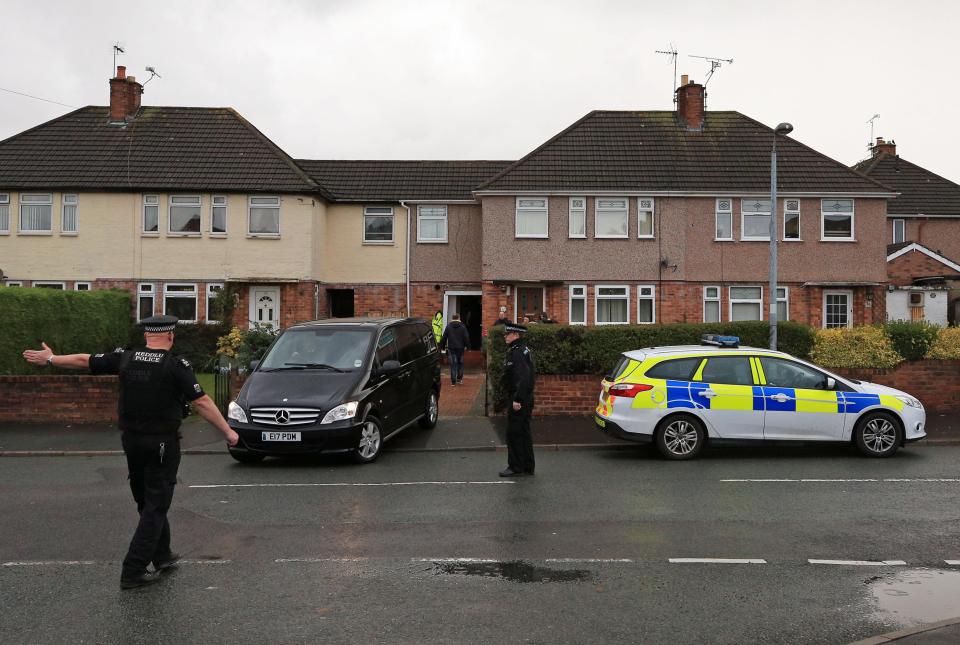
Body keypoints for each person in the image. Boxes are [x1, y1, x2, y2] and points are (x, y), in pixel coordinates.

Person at [22, 315, 239, 590]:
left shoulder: (126, 357)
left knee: (146, 500)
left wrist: (52, 359)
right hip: (161, 443)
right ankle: (133, 569)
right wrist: (229, 432)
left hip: (132, 442)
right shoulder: (175, 365)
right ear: (170, 336)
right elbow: (203, 402)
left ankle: (162, 555)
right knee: (157, 504)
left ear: (147, 336)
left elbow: (85, 360)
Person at [499, 322, 536, 477]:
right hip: (524, 397)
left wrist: (517, 399)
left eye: (508, 334)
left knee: (513, 433)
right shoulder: (523, 349)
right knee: (524, 432)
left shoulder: (518, 352)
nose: (505, 336)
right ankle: (527, 465)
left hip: (519, 398)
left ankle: (515, 466)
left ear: (515, 335)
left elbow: (523, 378)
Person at [438, 312, 471, 386]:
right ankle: (459, 379)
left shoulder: (448, 326)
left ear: (452, 318)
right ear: (459, 318)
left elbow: (444, 337)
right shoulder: (463, 326)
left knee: (453, 364)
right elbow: (466, 337)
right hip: (460, 348)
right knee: (460, 363)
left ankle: (453, 382)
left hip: (451, 348)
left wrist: (442, 347)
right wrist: (468, 347)